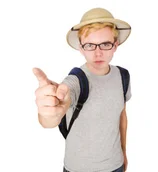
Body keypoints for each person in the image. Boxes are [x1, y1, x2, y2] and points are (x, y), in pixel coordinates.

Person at [33, 7, 132, 172]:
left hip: (116, 166)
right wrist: (49, 113)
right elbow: (51, 117)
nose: (98, 52)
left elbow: (121, 116)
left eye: (105, 44)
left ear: (115, 45)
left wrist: (124, 153)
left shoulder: (123, 76)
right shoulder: (76, 80)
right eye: (90, 45)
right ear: (81, 48)